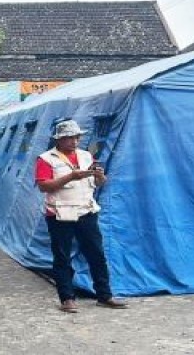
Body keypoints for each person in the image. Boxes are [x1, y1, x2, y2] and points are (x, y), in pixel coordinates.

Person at [35, 119, 128, 313]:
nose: (74, 141)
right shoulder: (46, 159)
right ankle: (67, 298)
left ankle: (105, 295)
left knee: (96, 255)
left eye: (77, 137)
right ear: (59, 139)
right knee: (62, 257)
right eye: (69, 138)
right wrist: (70, 176)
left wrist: (100, 177)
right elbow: (43, 186)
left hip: (86, 211)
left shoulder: (86, 156)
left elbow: (99, 183)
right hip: (59, 213)